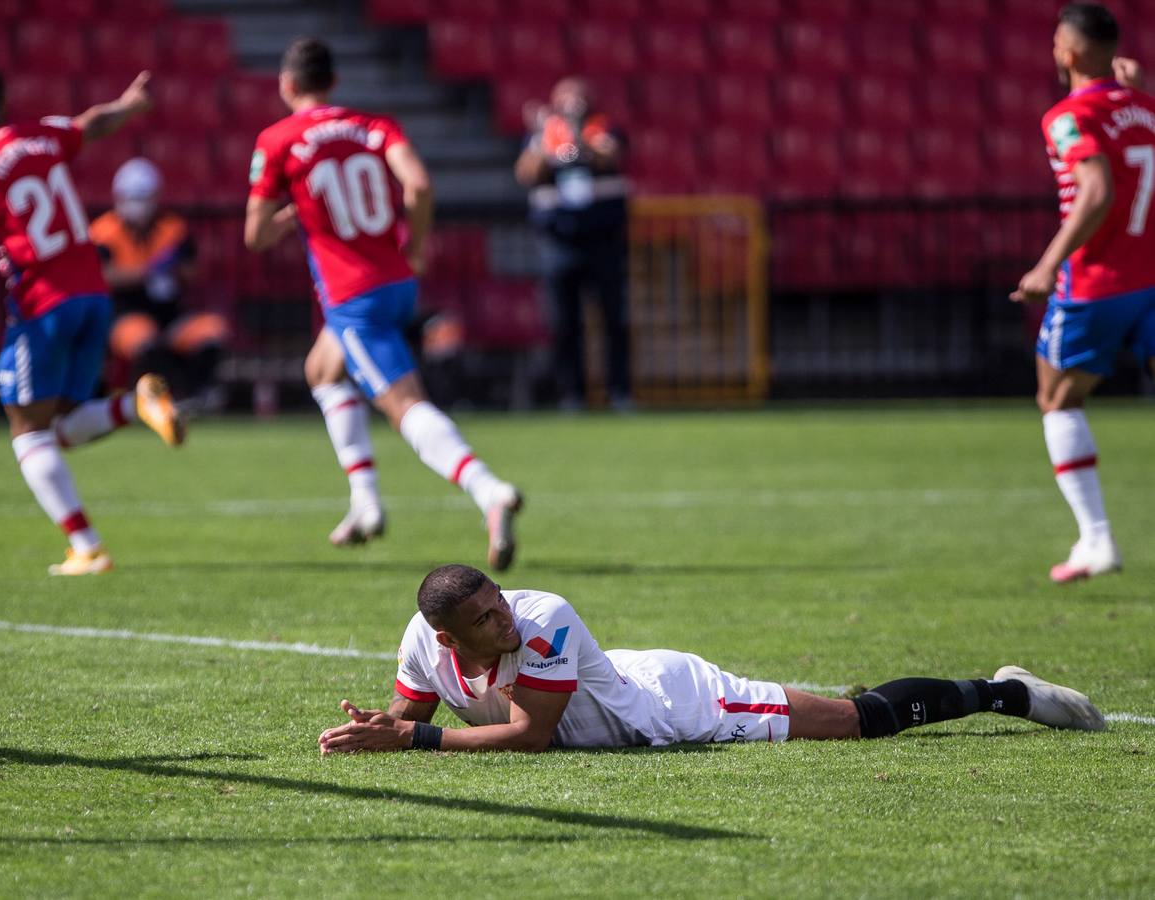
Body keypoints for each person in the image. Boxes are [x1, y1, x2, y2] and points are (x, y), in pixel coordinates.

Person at [317, 564, 1105, 754]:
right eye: (485, 619)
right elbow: (409, 716)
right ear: (447, 638)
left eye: (499, 599)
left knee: (858, 722)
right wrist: (376, 726)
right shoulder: (423, 641)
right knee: (852, 715)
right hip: (623, 684)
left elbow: (528, 736)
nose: (503, 615)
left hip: (675, 704)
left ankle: (1004, 693)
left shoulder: (543, 618)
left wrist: (414, 741)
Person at [244, 38, 524, 570]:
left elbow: (255, 236)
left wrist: (292, 215)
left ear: (287, 84)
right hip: (395, 280)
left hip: (351, 295)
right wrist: (415, 247)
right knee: (322, 370)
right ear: (333, 81)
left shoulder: (278, 139)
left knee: (404, 406)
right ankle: (366, 503)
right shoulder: (376, 126)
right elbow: (418, 184)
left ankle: (488, 489)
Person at [0, 60, 185, 576]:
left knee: (27, 433)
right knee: (57, 427)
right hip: (94, 295)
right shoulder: (42, 136)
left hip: (43, 303)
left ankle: (87, 546)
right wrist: (130, 105)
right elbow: (92, 122)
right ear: (4, 101)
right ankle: (133, 406)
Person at [1011, 3, 1155, 583]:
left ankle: (1096, 540)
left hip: (1097, 281)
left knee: (1058, 398)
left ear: (1070, 53)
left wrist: (1047, 265)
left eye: (1054, 43)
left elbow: (1094, 189)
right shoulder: (1146, 107)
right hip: (1151, 273)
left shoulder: (1068, 117)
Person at [514, 77, 631, 412]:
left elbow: (608, 157)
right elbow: (526, 173)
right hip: (559, 242)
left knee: (613, 319)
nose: (572, 104)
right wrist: (541, 137)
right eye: (566, 98)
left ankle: (620, 392)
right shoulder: (545, 134)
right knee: (565, 323)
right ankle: (572, 395)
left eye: (578, 97)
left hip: (603, 240)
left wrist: (577, 134)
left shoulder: (602, 128)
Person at [89, 157, 230, 408]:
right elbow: (102, 276)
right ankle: (155, 402)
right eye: (132, 198)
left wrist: (173, 269)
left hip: (171, 313)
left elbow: (191, 271)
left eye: (143, 197)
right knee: (144, 341)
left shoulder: (173, 228)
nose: (138, 205)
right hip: (127, 313)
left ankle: (195, 398)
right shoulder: (103, 231)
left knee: (212, 331)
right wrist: (147, 272)